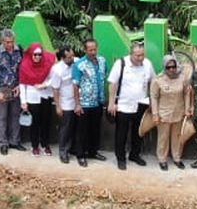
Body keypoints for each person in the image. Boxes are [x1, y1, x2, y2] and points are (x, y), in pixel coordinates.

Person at [107, 43, 156, 171]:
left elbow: (153, 82)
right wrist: (111, 103)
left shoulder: (147, 64)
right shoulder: (121, 63)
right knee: (121, 134)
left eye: (142, 55)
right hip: (123, 105)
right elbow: (113, 84)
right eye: (137, 55)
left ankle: (135, 155)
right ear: (131, 54)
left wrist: (152, 100)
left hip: (141, 104)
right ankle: (121, 158)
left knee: (138, 133)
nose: (140, 58)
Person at [150, 55, 192, 171]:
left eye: (173, 66)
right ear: (164, 67)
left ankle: (177, 158)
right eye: (168, 67)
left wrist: (187, 108)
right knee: (163, 138)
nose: (172, 69)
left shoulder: (182, 78)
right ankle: (162, 159)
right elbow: (154, 97)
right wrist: (155, 114)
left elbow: (187, 93)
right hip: (163, 114)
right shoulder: (158, 80)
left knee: (177, 137)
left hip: (179, 112)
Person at [0, 29, 25, 155]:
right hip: (2, 88)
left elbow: (23, 69)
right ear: (2, 41)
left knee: (15, 115)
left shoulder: (19, 50)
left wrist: (21, 85)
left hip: (16, 87)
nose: (10, 45)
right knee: (2, 117)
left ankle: (15, 141)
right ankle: (3, 143)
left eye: (12, 42)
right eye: (7, 42)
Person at [71, 39, 108, 167]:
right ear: (85, 50)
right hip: (85, 103)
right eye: (90, 50)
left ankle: (93, 151)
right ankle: (80, 155)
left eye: (94, 49)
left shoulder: (102, 61)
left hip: (98, 102)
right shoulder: (79, 65)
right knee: (82, 131)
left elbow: (103, 78)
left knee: (95, 129)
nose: (93, 52)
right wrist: (77, 104)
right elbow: (75, 85)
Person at [19, 42, 57, 155]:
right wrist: (23, 101)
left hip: (45, 95)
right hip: (32, 97)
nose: (37, 57)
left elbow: (53, 78)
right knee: (34, 123)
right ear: (31, 54)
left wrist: (45, 84)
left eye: (40, 55)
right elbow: (22, 84)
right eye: (35, 55)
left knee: (46, 121)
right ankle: (35, 145)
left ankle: (45, 144)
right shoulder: (25, 65)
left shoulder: (47, 64)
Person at [51, 46, 78, 163]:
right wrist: (58, 106)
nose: (72, 58)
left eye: (72, 55)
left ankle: (73, 149)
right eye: (69, 57)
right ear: (62, 58)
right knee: (65, 128)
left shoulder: (76, 62)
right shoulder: (57, 70)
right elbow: (55, 89)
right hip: (65, 102)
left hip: (77, 100)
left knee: (75, 127)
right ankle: (63, 151)